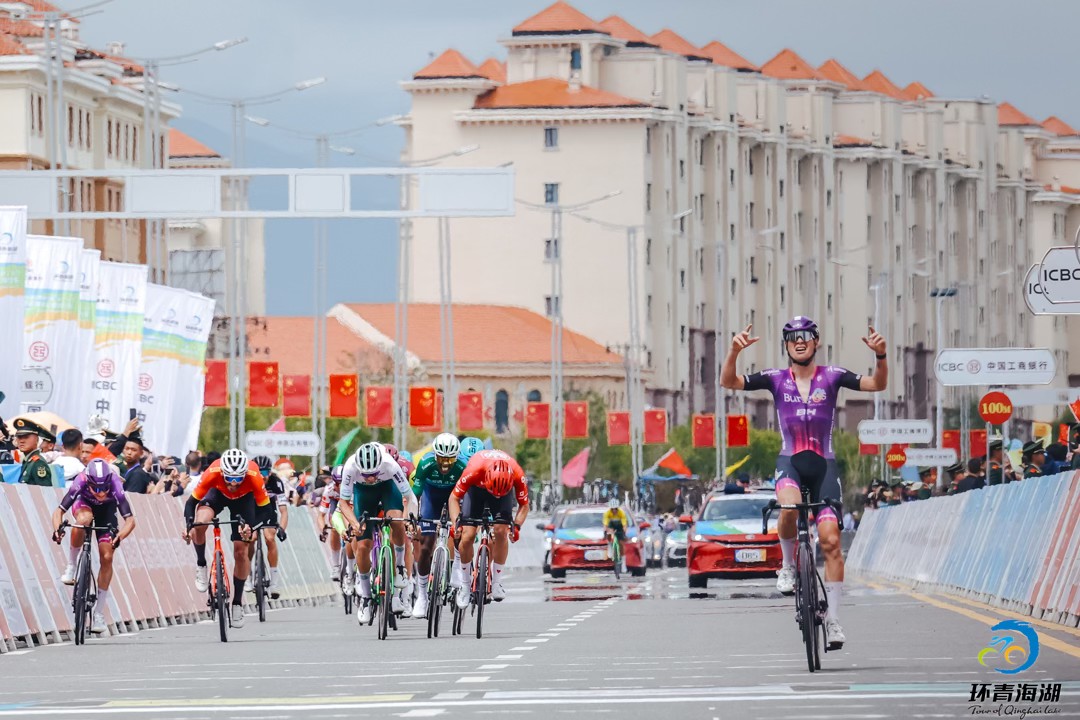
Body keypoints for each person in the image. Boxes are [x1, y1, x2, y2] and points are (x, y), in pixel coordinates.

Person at [720, 316, 888, 650]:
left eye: (805, 337)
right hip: (790, 462)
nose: (799, 341)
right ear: (786, 345)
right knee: (788, 507)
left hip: (823, 465)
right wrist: (733, 352)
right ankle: (786, 566)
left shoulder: (834, 376)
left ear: (815, 342)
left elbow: (877, 385)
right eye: (792, 338)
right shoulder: (774, 379)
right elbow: (729, 381)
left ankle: (834, 619)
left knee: (830, 542)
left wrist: (881, 357)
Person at [182, 448, 276, 629]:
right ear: (223, 472)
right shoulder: (213, 472)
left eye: (238, 479)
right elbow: (191, 503)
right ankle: (201, 563)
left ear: (245, 474)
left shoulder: (254, 475)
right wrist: (188, 526)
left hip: (243, 501)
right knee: (200, 523)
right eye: (230, 478)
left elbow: (267, 511)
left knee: (241, 552)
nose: (233, 483)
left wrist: (251, 527)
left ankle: (237, 603)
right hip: (217, 494)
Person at [51, 459, 136, 634]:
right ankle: (72, 565)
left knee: (107, 556)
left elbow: (130, 521)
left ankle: (98, 613)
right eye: (96, 489)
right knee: (83, 521)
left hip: (107, 512)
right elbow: (59, 511)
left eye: (104, 488)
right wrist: (57, 529)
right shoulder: (80, 480)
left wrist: (121, 535)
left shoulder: (115, 484)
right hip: (84, 505)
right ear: (87, 481)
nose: (101, 493)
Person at [337, 443, 413, 624]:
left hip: (387, 488)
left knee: (396, 521)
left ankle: (400, 567)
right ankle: (365, 597)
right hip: (363, 495)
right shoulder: (350, 466)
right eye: (366, 475)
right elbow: (343, 502)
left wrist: (408, 518)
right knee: (362, 545)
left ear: (380, 465)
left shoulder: (390, 465)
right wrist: (355, 524)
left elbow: (408, 497)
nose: (370, 478)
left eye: (374, 474)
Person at [448, 449, 530, 608]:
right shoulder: (474, 469)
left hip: (502, 490)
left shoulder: (517, 473)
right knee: (467, 536)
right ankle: (465, 586)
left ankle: (497, 583)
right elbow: (454, 497)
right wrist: (455, 523)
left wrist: (517, 527)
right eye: (495, 492)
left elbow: (524, 505)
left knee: (501, 531)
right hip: (476, 491)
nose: (496, 494)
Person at [410, 433, 466, 619]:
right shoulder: (425, 464)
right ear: (435, 455)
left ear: (456, 457)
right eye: (441, 458)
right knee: (426, 546)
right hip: (430, 498)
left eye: (449, 459)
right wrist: (412, 518)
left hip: (454, 497)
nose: (445, 464)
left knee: (460, 533)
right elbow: (415, 494)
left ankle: (457, 565)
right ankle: (423, 596)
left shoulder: (463, 466)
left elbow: (469, 496)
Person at [250, 456, 289, 598]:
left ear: (270, 473)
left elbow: (283, 511)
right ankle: (248, 573)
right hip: (252, 510)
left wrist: (282, 528)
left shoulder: (276, 482)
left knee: (269, 538)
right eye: (259, 473)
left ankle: (274, 581)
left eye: (265, 473)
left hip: (268, 509)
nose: (263, 477)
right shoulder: (248, 481)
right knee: (251, 538)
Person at [13, 417, 53, 486]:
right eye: (19, 437)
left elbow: (45, 493)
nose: (21, 441)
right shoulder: (28, 461)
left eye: (26, 437)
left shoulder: (38, 463)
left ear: (37, 440)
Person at [601, 498, 629, 571]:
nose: (614, 511)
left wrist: (624, 532)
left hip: (619, 526)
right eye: (612, 509)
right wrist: (607, 531)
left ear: (617, 508)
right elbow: (605, 525)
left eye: (615, 509)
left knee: (621, 543)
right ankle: (610, 545)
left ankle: (623, 563)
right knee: (608, 533)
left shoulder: (621, 513)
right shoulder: (607, 513)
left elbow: (624, 525)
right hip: (611, 525)